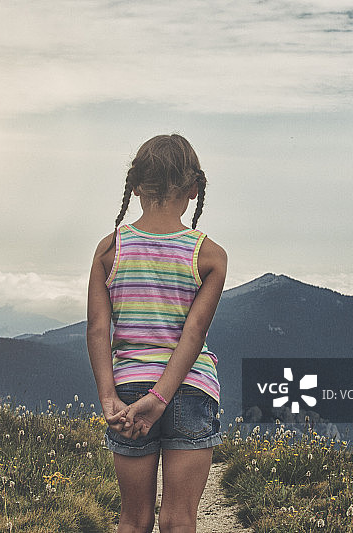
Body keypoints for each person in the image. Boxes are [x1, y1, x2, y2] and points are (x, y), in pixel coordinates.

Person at [86, 134, 227, 533]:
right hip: (190, 388)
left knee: (133, 520)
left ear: (134, 187)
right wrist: (162, 397)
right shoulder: (210, 255)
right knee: (179, 520)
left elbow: (97, 330)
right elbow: (194, 334)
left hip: (128, 391)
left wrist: (109, 397)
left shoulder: (109, 250)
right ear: (195, 188)